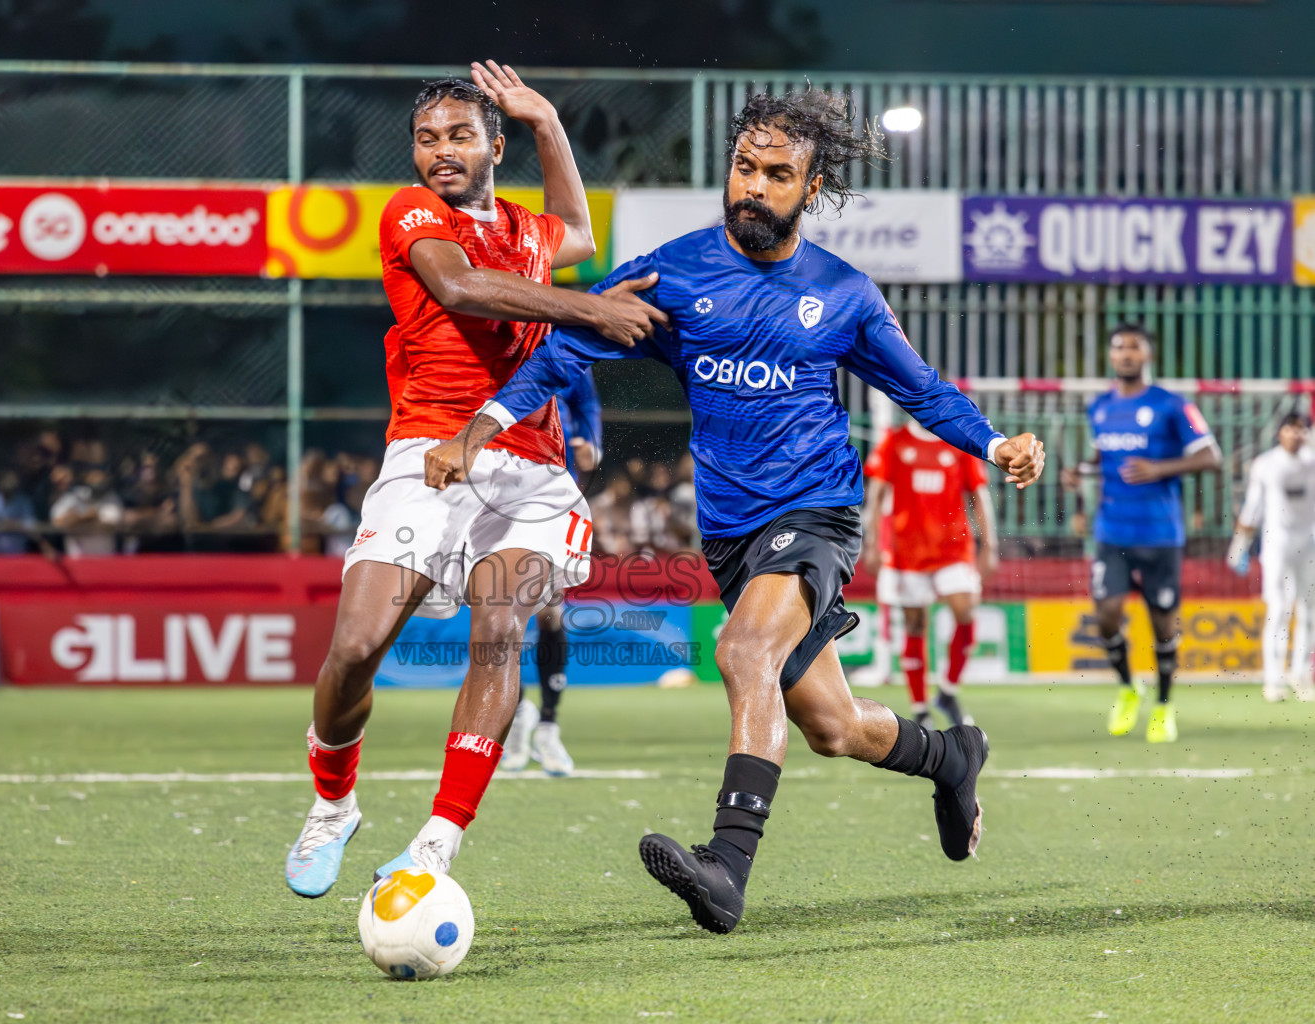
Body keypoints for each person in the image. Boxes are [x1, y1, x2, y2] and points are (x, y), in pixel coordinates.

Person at [426, 89, 1045, 934]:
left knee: (742, 647)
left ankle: (727, 865)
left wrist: (993, 442)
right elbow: (565, 350)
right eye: (743, 169)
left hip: (817, 511)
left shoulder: (844, 293)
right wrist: (483, 428)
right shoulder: (673, 272)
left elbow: (922, 390)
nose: (753, 186)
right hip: (730, 535)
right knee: (830, 725)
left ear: (811, 186)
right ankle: (949, 755)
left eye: (777, 175)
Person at [284, 63, 669, 899]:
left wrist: (547, 123)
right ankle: (332, 804)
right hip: (429, 452)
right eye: (426, 139)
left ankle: (435, 843)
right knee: (354, 650)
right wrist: (592, 308)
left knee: (499, 634)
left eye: (459, 136)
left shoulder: (528, 229)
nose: (440, 152)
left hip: (531, 469)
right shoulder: (411, 213)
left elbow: (577, 232)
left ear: (493, 145)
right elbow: (460, 289)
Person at [1062, 325, 1221, 744]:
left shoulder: (1172, 405)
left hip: (1160, 534)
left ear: (1147, 354)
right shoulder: (1099, 407)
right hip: (1112, 532)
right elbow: (1103, 459)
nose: (1126, 354)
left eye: (1134, 346)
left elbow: (1211, 456)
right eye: (1118, 347)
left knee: (1163, 624)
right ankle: (1129, 688)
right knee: (1106, 615)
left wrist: (1159, 469)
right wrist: (1080, 473)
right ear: (1110, 356)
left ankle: (1164, 706)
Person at [861, 421, 999, 728]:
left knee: (966, 611)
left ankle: (948, 691)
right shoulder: (894, 441)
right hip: (905, 550)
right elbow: (877, 492)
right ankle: (921, 707)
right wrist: (870, 543)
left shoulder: (960, 441)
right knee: (915, 623)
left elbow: (979, 496)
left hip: (954, 548)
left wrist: (990, 546)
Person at [501, 368, 603, 776]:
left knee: (548, 612)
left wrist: (593, 444)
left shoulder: (561, 337)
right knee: (500, 613)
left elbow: (587, 401)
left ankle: (545, 724)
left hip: (552, 494)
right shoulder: (494, 336)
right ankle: (517, 714)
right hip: (497, 489)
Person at [1227, 412, 1315, 702]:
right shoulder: (1266, 464)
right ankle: (1273, 679)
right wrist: (1239, 544)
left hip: (1309, 541)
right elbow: (1253, 507)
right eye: (1291, 429)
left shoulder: (1311, 460)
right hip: (1277, 542)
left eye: (1302, 430)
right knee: (1278, 608)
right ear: (1280, 432)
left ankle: (1300, 673)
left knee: (1309, 610)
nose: (1296, 435)